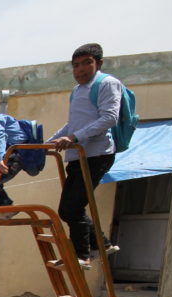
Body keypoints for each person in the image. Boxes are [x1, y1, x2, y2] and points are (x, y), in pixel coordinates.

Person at [47, 42, 122, 269]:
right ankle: (102, 244)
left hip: (96, 154)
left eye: (86, 63)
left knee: (70, 208)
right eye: (75, 65)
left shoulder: (107, 84)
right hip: (78, 156)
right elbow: (74, 123)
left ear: (98, 63)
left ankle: (82, 256)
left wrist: (74, 138)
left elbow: (109, 118)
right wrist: (51, 140)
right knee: (71, 207)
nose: (79, 70)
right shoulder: (78, 91)